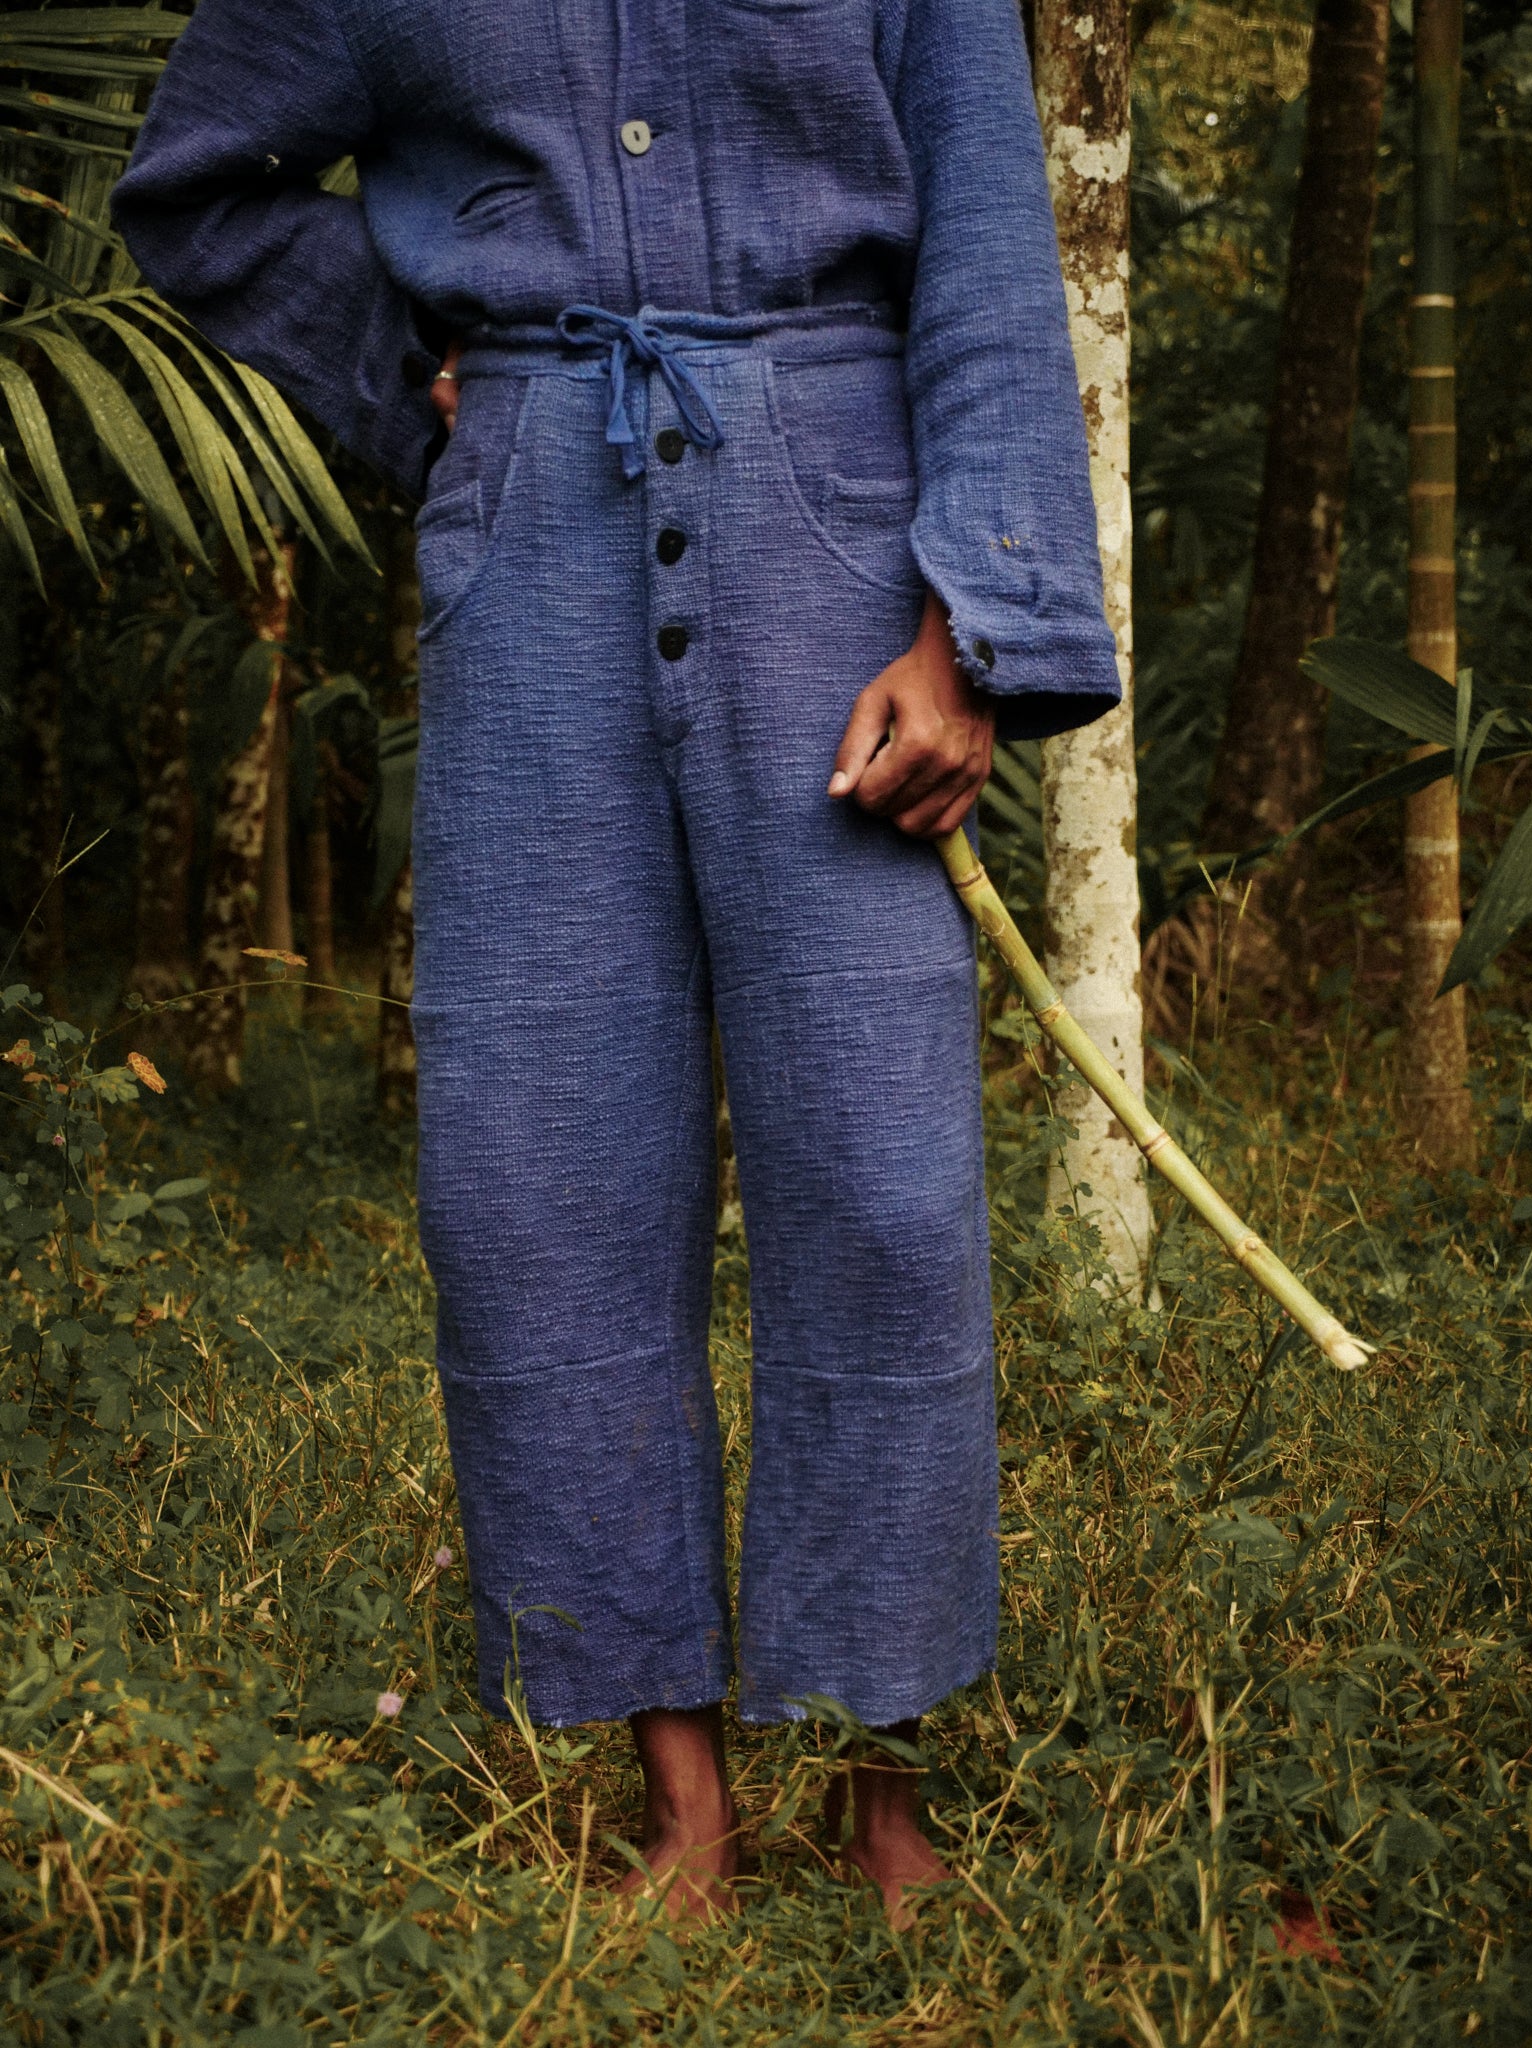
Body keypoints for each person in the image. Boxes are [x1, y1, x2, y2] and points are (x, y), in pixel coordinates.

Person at [114, 0, 1119, 1922]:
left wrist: (969, 627)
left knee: (884, 1182)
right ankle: (685, 1801)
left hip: (841, 536)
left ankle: (886, 1785)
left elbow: (991, 252)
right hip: (530, 539)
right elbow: (201, 181)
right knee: (542, 1170)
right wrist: (402, 365)